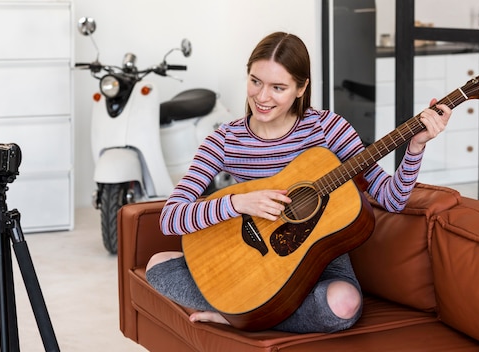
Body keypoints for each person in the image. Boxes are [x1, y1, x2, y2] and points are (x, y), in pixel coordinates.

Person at [145, 31, 451, 333]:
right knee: (157, 265)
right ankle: (243, 310)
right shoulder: (224, 141)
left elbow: (391, 199)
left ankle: (242, 315)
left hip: (319, 259)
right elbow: (171, 218)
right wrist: (238, 203)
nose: (262, 97)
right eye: (255, 82)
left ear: (301, 88)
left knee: (344, 304)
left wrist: (415, 148)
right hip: (250, 260)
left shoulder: (328, 128)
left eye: (278, 87)